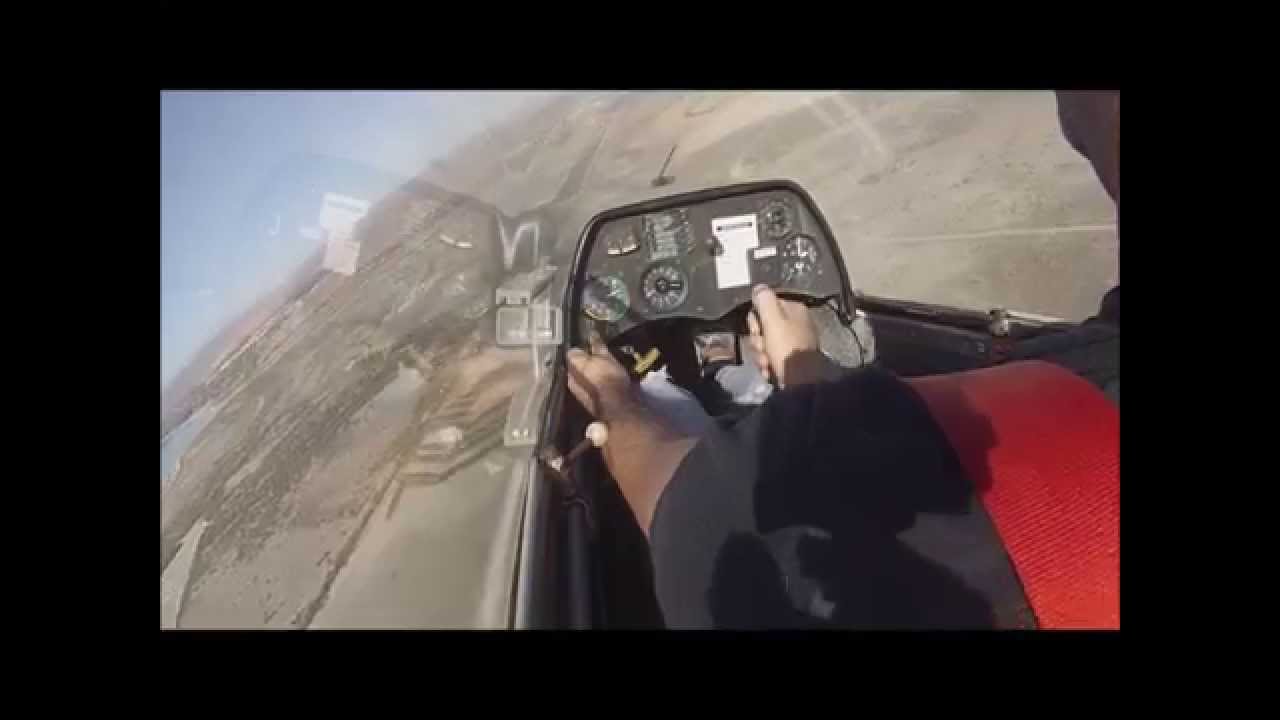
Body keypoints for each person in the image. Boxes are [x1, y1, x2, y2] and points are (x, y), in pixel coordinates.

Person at [564, 91, 1119, 629]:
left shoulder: (1037, 437)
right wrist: (806, 374)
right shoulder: (1087, 371)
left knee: (670, 401)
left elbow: (688, 516)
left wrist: (615, 399)